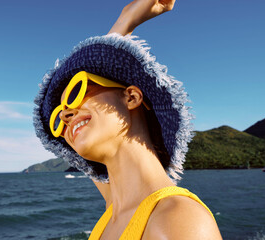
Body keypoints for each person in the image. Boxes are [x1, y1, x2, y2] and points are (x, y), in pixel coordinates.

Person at [33, 0, 223, 239]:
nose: (64, 115)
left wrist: (124, 25)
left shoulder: (176, 219)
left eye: (76, 92)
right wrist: (125, 20)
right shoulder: (117, 209)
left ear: (131, 96)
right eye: (58, 120)